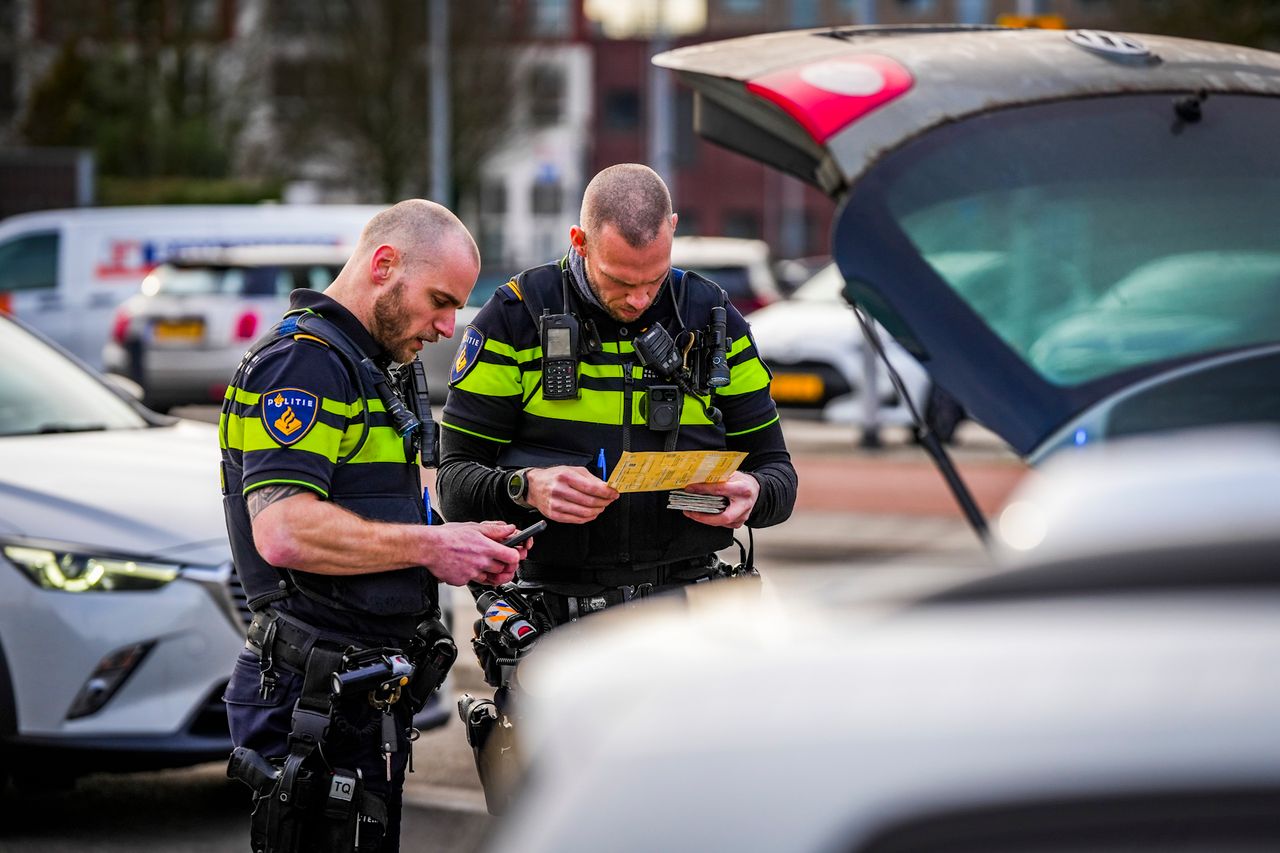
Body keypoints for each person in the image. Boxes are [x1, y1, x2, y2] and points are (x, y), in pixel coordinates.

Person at [437, 164, 797, 805]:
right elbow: (455, 484)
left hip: (688, 622)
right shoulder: (514, 319)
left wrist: (754, 496)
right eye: (619, 281)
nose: (637, 300)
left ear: (674, 233)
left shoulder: (711, 317)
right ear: (579, 242)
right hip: (557, 614)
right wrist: (527, 487)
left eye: (654, 279)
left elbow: (778, 473)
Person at [218, 199, 530, 852]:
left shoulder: (379, 366)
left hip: (358, 696)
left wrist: (464, 544)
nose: (449, 324)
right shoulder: (302, 365)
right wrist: (434, 546)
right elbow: (283, 528)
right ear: (384, 264)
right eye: (440, 300)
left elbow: (381, 507)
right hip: (311, 698)